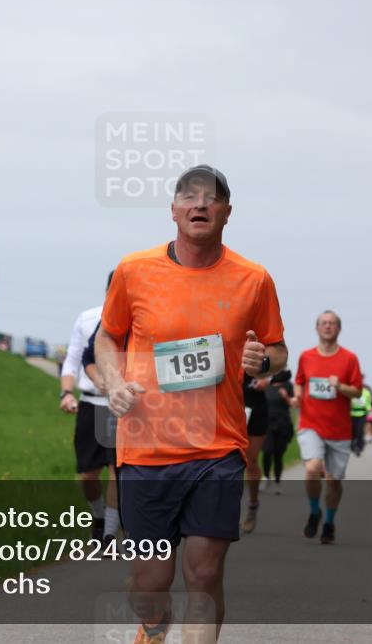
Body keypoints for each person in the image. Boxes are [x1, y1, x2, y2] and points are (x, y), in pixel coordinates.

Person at [94, 165, 286, 643]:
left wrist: (263, 362)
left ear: (227, 213)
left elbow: (278, 350)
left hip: (217, 447)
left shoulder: (254, 279)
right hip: (146, 449)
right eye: (189, 197)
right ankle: (152, 628)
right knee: (151, 582)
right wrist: (114, 381)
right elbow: (107, 336)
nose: (200, 205)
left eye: (211, 198)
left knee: (204, 573)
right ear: (174, 210)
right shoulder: (134, 271)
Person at [289, 311, 362, 544]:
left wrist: (340, 386)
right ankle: (314, 511)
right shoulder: (306, 356)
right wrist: (298, 398)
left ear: (339, 329)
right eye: (324, 323)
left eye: (332, 323)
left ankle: (329, 522)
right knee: (312, 468)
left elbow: (358, 391)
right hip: (311, 424)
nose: (328, 327)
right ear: (317, 328)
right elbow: (299, 381)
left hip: (339, 431)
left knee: (334, 482)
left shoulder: (349, 359)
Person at [59, 272, 119, 544]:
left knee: (117, 470)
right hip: (91, 403)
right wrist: (66, 393)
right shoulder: (88, 319)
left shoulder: (139, 320)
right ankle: (98, 516)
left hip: (121, 407)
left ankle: (108, 534)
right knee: (88, 474)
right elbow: (73, 359)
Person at [241, 373, 268, 533]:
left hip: (254, 409)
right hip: (227, 407)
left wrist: (268, 379)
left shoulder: (259, 348)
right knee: (227, 461)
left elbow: (282, 370)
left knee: (250, 461)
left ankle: (252, 505)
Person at [260, 370, 294, 494]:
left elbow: (293, 403)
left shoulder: (288, 385)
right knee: (267, 451)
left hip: (283, 424)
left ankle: (277, 483)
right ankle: (266, 477)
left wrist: (286, 397)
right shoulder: (266, 385)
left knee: (278, 454)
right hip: (267, 424)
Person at [350, 376, 372, 456]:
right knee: (353, 432)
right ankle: (352, 445)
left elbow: (368, 404)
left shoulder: (366, 392)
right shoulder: (352, 390)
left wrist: (370, 410)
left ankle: (360, 447)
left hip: (362, 414)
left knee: (360, 431)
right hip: (352, 414)